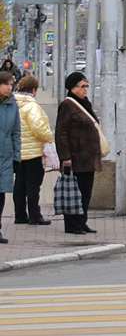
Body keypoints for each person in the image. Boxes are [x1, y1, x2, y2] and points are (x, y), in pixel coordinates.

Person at [54, 72, 101, 236]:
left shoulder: (85, 104)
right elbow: (61, 132)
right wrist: (65, 157)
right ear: (72, 88)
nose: (85, 89)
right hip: (75, 157)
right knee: (74, 191)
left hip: (88, 157)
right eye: (82, 86)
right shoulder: (68, 105)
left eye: (87, 86)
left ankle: (82, 222)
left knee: (86, 192)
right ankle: (72, 224)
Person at [13, 75, 53, 225]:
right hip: (32, 151)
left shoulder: (12, 103)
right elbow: (38, 128)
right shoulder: (32, 105)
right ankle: (35, 215)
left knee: (20, 184)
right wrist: (48, 136)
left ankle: (20, 215)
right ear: (34, 90)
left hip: (17, 151)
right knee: (33, 184)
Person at [0, 72, 19, 244]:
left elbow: (16, 133)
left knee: (1, 194)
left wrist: (17, 158)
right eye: (6, 84)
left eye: (11, 84)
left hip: (5, 156)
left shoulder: (12, 104)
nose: (9, 87)